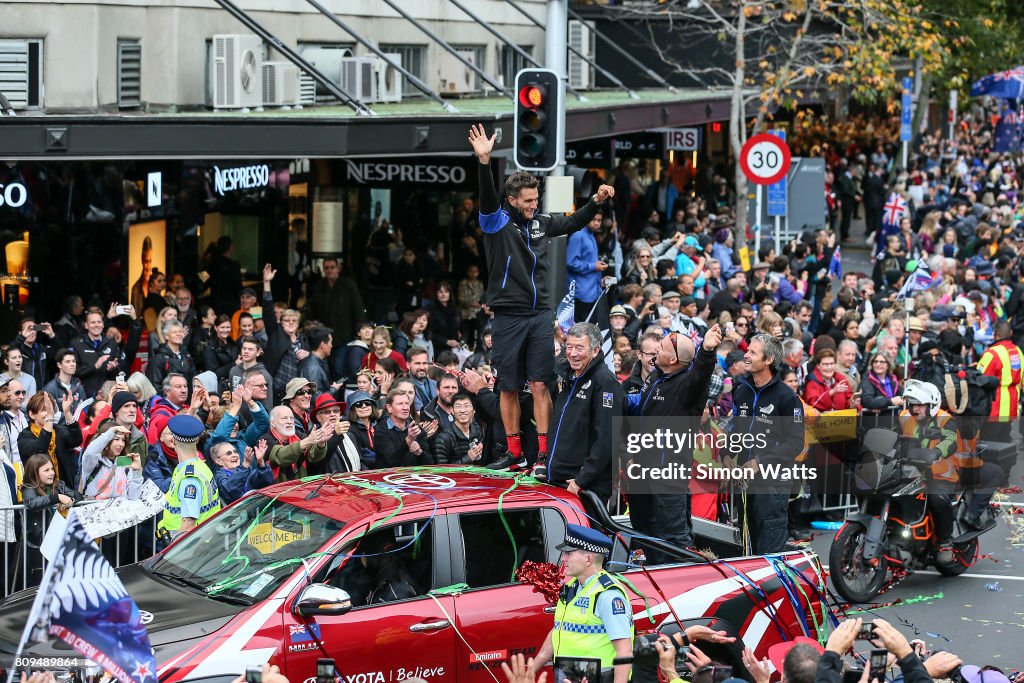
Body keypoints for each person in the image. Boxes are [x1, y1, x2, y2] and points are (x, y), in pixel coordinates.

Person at [469, 123, 614, 469]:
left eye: (536, 200)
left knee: (539, 384)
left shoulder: (542, 222)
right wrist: (484, 162)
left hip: (539, 314)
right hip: (508, 314)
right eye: (529, 201)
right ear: (513, 200)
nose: (534, 205)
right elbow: (488, 198)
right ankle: (514, 453)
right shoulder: (496, 222)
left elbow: (572, 223)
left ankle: (545, 454)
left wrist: (594, 202)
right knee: (507, 385)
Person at [625, 324, 724, 553]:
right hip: (642, 472)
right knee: (644, 533)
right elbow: (636, 405)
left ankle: (680, 582)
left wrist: (707, 351)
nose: (657, 349)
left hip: (667, 476)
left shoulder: (688, 386)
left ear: (673, 360)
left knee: (674, 538)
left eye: (662, 346)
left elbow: (701, 374)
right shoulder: (656, 378)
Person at [731, 334, 806, 554]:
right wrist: (727, 454)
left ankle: (771, 589)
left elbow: (795, 443)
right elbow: (736, 428)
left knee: (769, 550)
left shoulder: (787, 398)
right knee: (746, 548)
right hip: (744, 484)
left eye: (752, 352)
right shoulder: (742, 391)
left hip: (772, 484)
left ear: (768, 360)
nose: (746, 355)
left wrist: (760, 462)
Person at [533, 524, 632, 683]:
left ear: (588, 559)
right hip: (571, 675)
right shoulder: (573, 587)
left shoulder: (607, 595)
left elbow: (624, 652)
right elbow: (561, 628)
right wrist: (531, 670)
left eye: (568, 553)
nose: (563, 559)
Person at [543, 323, 623, 502]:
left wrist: (581, 480)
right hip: (559, 480)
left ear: (595, 351)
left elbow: (608, 439)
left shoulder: (605, 381)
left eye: (579, 348)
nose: (572, 353)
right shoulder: (569, 377)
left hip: (583, 486)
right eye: (569, 347)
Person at [158, 415, 221, 540]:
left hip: (190, 549)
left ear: (174, 441)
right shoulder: (200, 466)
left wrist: (172, 550)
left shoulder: (189, 478)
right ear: (196, 440)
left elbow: (188, 526)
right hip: (207, 541)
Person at [18, 390, 82, 490]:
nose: (49, 413)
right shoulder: (25, 436)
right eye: (45, 410)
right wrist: (49, 417)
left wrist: (67, 413)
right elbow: (40, 448)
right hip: (38, 492)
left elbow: (76, 440)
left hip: (64, 488)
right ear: (32, 414)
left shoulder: (58, 430)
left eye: (51, 409)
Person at [976, 321, 1023, 443]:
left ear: (995, 334)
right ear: (1011, 333)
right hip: (1011, 406)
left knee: (990, 445)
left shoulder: (992, 353)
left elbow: (979, 379)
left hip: (994, 407)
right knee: (1005, 442)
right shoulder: (1018, 351)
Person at [264, 406, 331, 482]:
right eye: (284, 418)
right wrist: (308, 441)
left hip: (300, 489)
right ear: (273, 423)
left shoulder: (298, 435)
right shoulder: (265, 440)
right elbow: (280, 457)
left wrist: (321, 443)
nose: (289, 421)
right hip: (275, 491)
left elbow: (313, 457)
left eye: (291, 418)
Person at [567, 210, 609, 323]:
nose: (596, 223)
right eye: (593, 220)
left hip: (592, 291)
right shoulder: (578, 236)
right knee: (582, 328)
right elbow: (571, 262)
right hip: (581, 293)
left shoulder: (591, 235)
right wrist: (593, 266)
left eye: (599, 220)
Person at [210, 438, 272, 504]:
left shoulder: (246, 470)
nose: (234, 455)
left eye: (235, 452)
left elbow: (266, 481)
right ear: (219, 461)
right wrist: (245, 466)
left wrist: (261, 461)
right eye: (229, 453)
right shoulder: (218, 477)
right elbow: (230, 491)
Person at [311, 394, 362, 473]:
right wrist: (336, 434)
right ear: (318, 417)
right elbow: (317, 462)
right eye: (327, 412)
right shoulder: (314, 437)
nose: (332, 414)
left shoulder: (350, 435)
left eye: (336, 411)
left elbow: (360, 462)